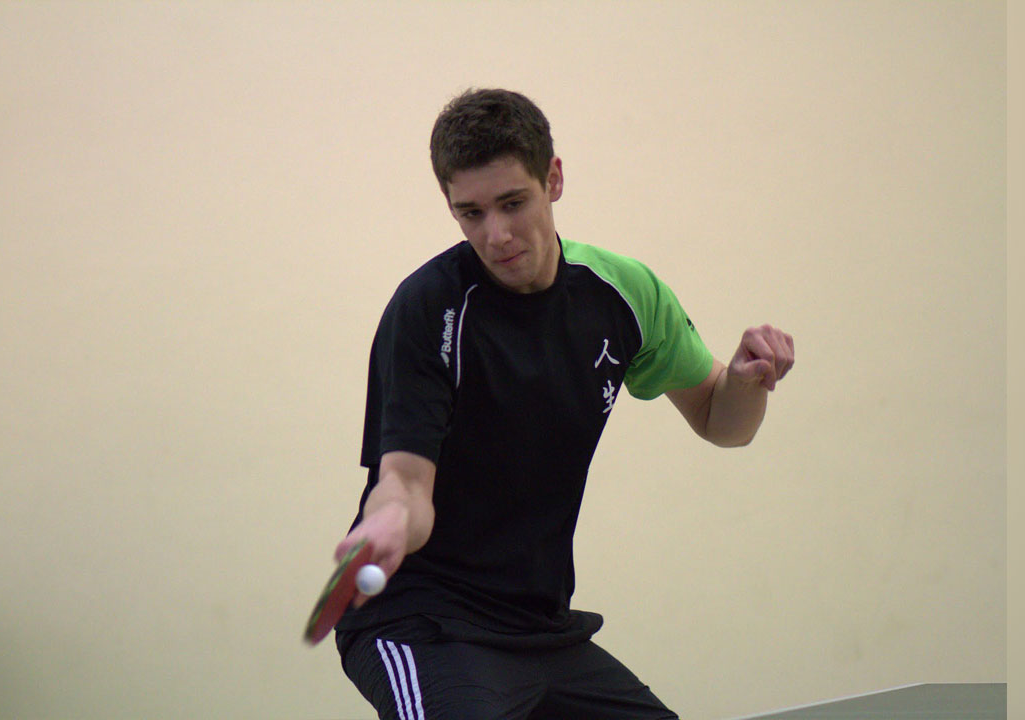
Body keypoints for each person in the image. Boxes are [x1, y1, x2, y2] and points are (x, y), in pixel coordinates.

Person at [330, 88, 794, 720]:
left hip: (540, 629)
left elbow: (723, 422)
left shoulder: (622, 293)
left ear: (553, 179)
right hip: (423, 623)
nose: (495, 235)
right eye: (470, 213)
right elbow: (406, 484)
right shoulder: (429, 310)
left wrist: (745, 381)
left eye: (512, 203)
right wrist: (388, 521)